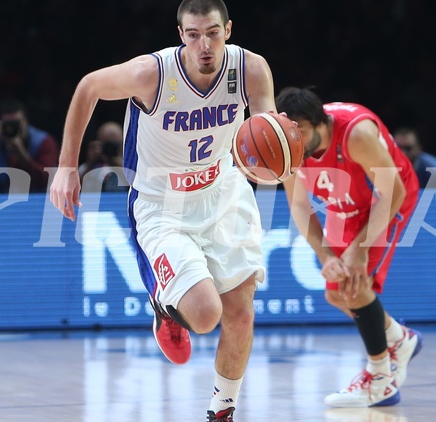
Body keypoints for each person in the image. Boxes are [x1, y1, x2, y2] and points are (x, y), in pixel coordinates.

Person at [49, 1, 277, 420]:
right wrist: (66, 167)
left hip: (222, 191)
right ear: (180, 35)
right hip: (161, 204)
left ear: (228, 29)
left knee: (242, 312)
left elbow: (264, 138)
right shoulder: (151, 74)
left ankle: (221, 410)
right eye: (193, 34)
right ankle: (163, 305)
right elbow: (88, 87)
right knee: (207, 316)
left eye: (212, 32)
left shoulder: (250, 69)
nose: (203, 44)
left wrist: (275, 158)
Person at [276, 87, 422, 408]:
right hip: (346, 207)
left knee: (356, 287)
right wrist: (326, 255)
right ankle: (399, 337)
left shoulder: (356, 135)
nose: (293, 143)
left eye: (299, 134)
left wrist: (360, 250)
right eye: (288, 135)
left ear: (320, 123)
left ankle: (380, 378)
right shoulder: (287, 147)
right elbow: (300, 208)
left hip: (388, 199)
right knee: (335, 292)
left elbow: (392, 193)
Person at [0, 99, 59, 193]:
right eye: (7, 125)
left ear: (26, 121)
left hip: (37, 199)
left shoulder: (44, 142)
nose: (12, 129)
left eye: (16, 124)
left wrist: (22, 155)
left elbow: (47, 180)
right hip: (1, 200)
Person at [79, 121, 126, 193]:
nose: (109, 148)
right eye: (106, 144)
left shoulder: (131, 167)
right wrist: (90, 164)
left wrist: (119, 165)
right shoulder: (87, 167)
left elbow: (136, 186)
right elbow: (78, 188)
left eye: (114, 144)